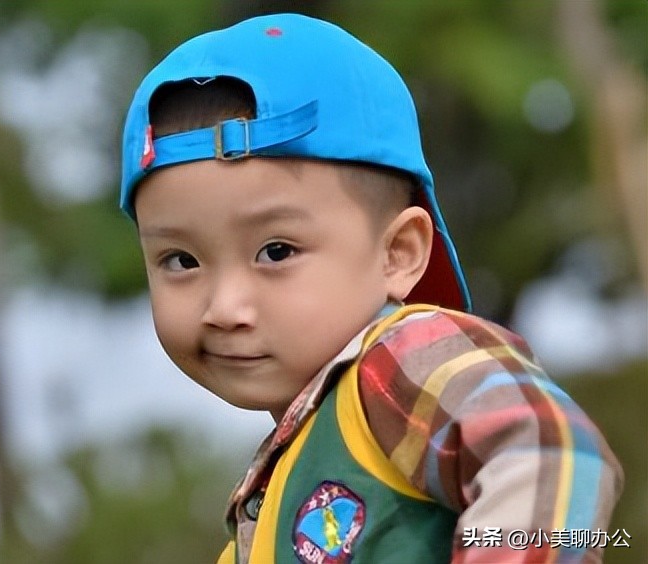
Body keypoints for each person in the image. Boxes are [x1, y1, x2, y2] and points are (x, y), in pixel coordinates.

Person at [118, 13, 623, 564]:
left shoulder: (402, 360)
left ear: (398, 252)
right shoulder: (278, 496)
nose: (224, 307)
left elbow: (553, 453)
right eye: (181, 260)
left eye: (277, 251)